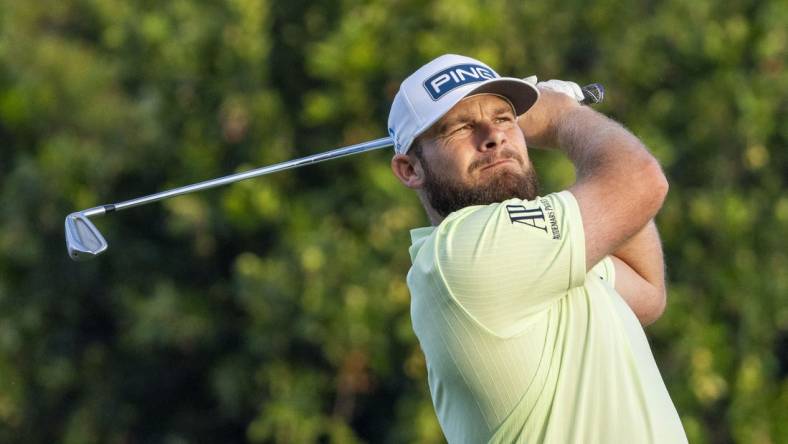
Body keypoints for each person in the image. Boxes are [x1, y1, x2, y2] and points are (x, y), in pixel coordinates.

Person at [388, 54, 688, 443]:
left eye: (503, 119)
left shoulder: (538, 254)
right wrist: (563, 117)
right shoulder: (461, 252)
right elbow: (641, 182)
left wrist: (575, 127)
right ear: (410, 169)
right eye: (460, 128)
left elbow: (647, 291)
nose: (492, 136)